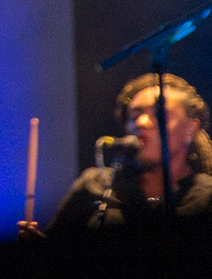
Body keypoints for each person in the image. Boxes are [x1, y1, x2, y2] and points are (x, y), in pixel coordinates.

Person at [41, 73, 212, 233]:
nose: (141, 122)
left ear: (191, 128)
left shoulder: (207, 197)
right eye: (135, 116)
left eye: (159, 114)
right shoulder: (96, 185)